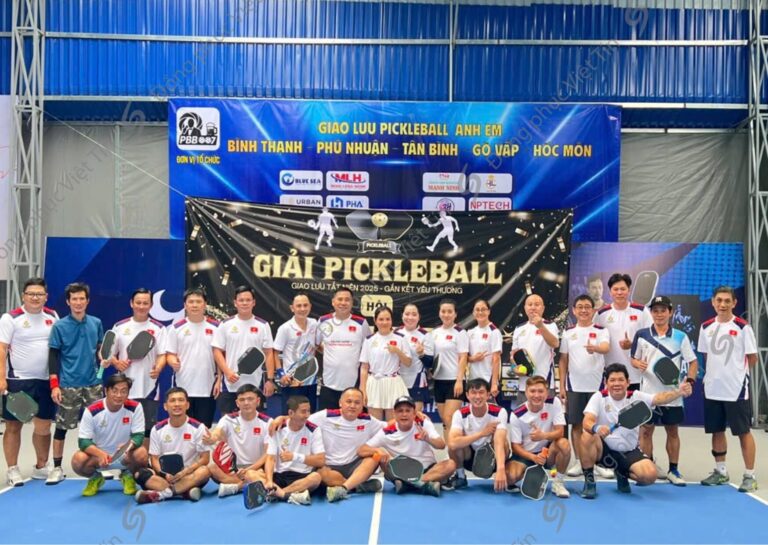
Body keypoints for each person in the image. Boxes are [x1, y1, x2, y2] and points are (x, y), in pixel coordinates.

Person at [580, 363, 693, 499]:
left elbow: (659, 398)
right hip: (603, 451)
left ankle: (622, 472)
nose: (617, 384)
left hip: (628, 452)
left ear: (628, 382)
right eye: (612, 380)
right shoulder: (599, 397)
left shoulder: (636, 396)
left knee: (650, 475)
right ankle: (589, 480)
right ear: (606, 382)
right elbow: (587, 421)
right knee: (587, 435)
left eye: (621, 380)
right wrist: (596, 428)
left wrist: (679, 392)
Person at [697, 286, 759, 492]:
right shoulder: (705, 327)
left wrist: (737, 375)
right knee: (717, 430)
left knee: (743, 432)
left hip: (736, 389)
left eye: (726, 301)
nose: (722, 304)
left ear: (734, 303)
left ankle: (750, 475)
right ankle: (721, 471)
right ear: (713, 302)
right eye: (719, 300)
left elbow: (752, 358)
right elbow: (706, 356)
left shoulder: (743, 327)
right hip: (712, 389)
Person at [632, 295, 698, 485]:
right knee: (646, 432)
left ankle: (673, 470)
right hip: (649, 395)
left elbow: (693, 362)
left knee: (672, 432)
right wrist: (637, 363)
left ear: (670, 313)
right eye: (655, 311)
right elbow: (633, 358)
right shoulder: (642, 335)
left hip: (673, 395)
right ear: (651, 313)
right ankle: (648, 467)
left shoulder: (680, 336)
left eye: (663, 310)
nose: (659, 314)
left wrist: (690, 381)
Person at [0, 278, 59, 486]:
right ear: (24, 296)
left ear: (46, 297)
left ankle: (41, 466)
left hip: (45, 380)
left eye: (39, 294)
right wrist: (1, 377)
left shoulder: (53, 316)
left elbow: (57, 348)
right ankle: (12, 469)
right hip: (18, 380)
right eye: (31, 294)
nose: (35, 297)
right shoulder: (10, 318)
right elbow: (2, 348)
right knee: (13, 426)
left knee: (44, 426)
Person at [47, 282, 105, 485]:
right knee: (62, 427)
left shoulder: (96, 323)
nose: (78, 302)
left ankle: (100, 464)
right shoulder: (59, 326)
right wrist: (55, 385)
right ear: (68, 302)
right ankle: (56, 467)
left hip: (93, 384)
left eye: (82, 299)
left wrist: (102, 364)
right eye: (74, 299)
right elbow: (53, 356)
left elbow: (100, 351)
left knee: (99, 428)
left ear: (87, 301)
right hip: (68, 384)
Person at [359, 395, 455, 496]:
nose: (404, 414)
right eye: (400, 411)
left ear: (414, 413)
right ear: (394, 414)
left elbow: (441, 445)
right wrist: (378, 451)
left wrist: (428, 439)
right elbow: (362, 450)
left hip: (428, 469)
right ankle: (424, 485)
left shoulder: (423, 423)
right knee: (382, 460)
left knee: (450, 464)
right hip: (401, 471)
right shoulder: (387, 432)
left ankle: (411, 484)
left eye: (408, 411)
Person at [558, 294, 609, 477]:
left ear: (593, 310)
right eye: (580, 307)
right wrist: (562, 386)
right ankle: (580, 462)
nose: (584, 310)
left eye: (587, 307)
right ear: (574, 310)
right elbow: (563, 360)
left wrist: (595, 348)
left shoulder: (601, 330)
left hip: (596, 388)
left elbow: (606, 348)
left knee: (596, 427)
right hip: (574, 387)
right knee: (577, 426)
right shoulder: (568, 332)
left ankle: (596, 463)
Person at [72, 374, 148, 496]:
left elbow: (138, 436)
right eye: (115, 391)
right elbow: (83, 441)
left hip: (125, 455)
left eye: (123, 391)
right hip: (99, 458)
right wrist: (100, 454)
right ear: (106, 391)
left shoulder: (135, 407)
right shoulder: (92, 410)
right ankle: (96, 478)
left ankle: (128, 475)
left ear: (128, 393)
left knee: (142, 454)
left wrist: (127, 446)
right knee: (78, 460)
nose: (119, 395)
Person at [106, 288, 166, 438]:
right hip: (123, 389)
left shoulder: (159, 328)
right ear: (131, 303)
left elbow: (162, 355)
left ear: (151, 305)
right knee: (123, 430)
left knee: (147, 431)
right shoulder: (119, 327)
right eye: (138, 302)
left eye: (145, 303)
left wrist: (158, 368)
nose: (141, 306)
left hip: (149, 388)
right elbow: (108, 353)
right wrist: (116, 363)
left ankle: (144, 454)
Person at [134, 387, 211, 503]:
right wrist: (164, 474)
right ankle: (184, 492)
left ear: (187, 405)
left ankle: (163, 494)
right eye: (172, 400)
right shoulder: (157, 429)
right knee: (139, 474)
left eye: (181, 400)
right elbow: (154, 459)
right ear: (165, 406)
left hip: (189, 474)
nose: (177, 404)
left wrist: (185, 471)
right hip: (165, 477)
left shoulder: (199, 428)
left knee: (205, 471)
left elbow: (205, 458)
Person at [309, 388, 384, 502]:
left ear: (362, 405)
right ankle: (357, 487)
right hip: (330, 466)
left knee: (374, 458)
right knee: (322, 474)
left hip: (354, 466)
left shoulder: (368, 420)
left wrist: (413, 418)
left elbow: (392, 426)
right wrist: (282, 418)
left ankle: (344, 488)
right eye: (349, 401)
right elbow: (299, 420)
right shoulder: (324, 416)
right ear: (340, 403)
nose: (352, 406)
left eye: (357, 402)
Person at [162, 287, 220, 428]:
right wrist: (173, 362)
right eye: (191, 302)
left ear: (205, 304)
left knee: (203, 429)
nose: (194, 305)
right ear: (185, 305)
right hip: (183, 387)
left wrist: (219, 379)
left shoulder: (217, 327)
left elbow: (220, 356)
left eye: (198, 302)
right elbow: (170, 354)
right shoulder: (176, 328)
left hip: (207, 387)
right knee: (183, 428)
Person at [212, 286, 275, 415]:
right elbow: (217, 351)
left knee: (254, 424)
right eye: (241, 300)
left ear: (253, 302)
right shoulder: (225, 324)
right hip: (230, 386)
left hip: (255, 385)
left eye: (248, 300)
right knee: (228, 423)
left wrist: (270, 380)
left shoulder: (263, 325)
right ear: (235, 303)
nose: (244, 303)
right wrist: (227, 372)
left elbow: (269, 353)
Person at [202, 384, 272, 498]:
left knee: (255, 474)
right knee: (212, 468)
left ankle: (237, 487)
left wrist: (249, 470)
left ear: (258, 401)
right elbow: (217, 432)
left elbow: (267, 455)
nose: (246, 403)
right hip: (233, 469)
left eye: (250, 399)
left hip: (257, 467)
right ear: (237, 403)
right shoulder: (228, 419)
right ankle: (251, 484)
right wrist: (212, 438)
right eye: (242, 400)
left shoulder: (267, 422)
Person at [507, 376, 571, 498]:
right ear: (526, 392)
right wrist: (533, 457)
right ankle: (527, 472)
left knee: (564, 444)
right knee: (510, 478)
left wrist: (543, 436)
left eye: (540, 391)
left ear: (546, 393)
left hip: (546, 454)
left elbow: (560, 432)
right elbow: (515, 446)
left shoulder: (554, 402)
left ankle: (558, 483)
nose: (536, 395)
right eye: (532, 391)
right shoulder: (517, 414)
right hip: (525, 455)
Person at [447, 378, 509, 492]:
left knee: (504, 443)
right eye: (473, 393)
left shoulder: (500, 412)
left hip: (492, 457)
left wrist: (501, 469)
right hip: (469, 457)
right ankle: (460, 476)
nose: (477, 396)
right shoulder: (459, 414)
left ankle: (501, 474)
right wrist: (482, 433)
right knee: (454, 444)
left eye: (481, 392)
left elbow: (499, 443)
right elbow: (452, 443)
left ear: (488, 395)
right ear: (467, 395)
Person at [594, 273, 652, 390]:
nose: (619, 292)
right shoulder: (601, 314)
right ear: (610, 292)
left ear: (629, 291)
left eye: (623, 289)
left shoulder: (642, 311)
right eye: (615, 289)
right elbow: (595, 341)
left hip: (637, 375)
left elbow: (651, 339)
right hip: (611, 377)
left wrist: (633, 345)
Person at [315, 287, 371, 410]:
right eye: (340, 299)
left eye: (347, 300)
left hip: (354, 386)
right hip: (328, 384)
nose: (343, 303)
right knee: (328, 419)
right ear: (333, 302)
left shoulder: (361, 323)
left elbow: (369, 350)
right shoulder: (323, 321)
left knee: (353, 420)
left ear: (352, 303)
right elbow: (316, 344)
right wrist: (330, 353)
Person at [264, 395, 325, 505]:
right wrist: (269, 480)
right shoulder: (277, 428)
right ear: (291, 413)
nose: (307, 415)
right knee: (251, 474)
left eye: (308, 411)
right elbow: (270, 458)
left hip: (302, 476)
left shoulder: (314, 430)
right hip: (280, 476)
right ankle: (286, 495)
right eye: (303, 411)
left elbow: (321, 460)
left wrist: (295, 457)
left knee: (316, 477)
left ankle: (276, 494)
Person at [423, 298, 469, 441]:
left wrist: (459, 380)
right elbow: (432, 357)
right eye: (443, 311)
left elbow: (463, 357)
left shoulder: (460, 332)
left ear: (455, 314)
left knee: (450, 418)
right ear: (439, 313)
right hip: (439, 381)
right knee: (444, 420)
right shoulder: (434, 333)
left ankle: (459, 450)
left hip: (454, 381)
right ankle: (450, 452)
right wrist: (430, 370)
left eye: (450, 311)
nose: (446, 314)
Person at [359, 306, 411, 420]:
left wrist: (397, 351)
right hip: (374, 383)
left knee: (393, 424)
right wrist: (362, 390)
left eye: (388, 319)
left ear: (392, 320)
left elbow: (408, 362)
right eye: (381, 319)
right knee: (375, 424)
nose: (384, 322)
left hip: (393, 383)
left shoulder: (400, 338)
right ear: (375, 320)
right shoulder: (369, 340)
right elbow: (364, 367)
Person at [273, 292, 319, 413]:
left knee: (309, 415)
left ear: (310, 306)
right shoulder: (285, 328)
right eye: (299, 306)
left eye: (305, 305)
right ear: (292, 308)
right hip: (292, 381)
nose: (302, 309)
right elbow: (275, 353)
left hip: (310, 380)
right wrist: (281, 374)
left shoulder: (314, 324)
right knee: (290, 416)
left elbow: (318, 345)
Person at [511, 294, 559, 388]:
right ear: (525, 308)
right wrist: (514, 368)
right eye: (530, 304)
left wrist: (540, 326)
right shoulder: (519, 328)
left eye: (537, 304)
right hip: (524, 384)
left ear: (543, 308)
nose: (533, 307)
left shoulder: (550, 325)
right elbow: (514, 354)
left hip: (544, 382)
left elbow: (555, 344)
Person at [396, 303, 430, 412]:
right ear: (402, 315)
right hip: (397, 380)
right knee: (397, 417)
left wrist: (422, 354)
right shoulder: (395, 333)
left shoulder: (425, 335)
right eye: (407, 314)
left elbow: (430, 363)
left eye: (414, 314)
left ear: (419, 317)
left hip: (417, 381)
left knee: (415, 417)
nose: (410, 317)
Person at [466, 299, 502, 399]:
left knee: (487, 408)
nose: (480, 312)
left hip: (487, 379)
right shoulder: (470, 332)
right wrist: (472, 359)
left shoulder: (494, 331)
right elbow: (464, 357)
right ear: (473, 313)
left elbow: (496, 359)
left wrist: (494, 384)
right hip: (472, 379)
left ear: (488, 311)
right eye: (477, 310)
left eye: (483, 309)